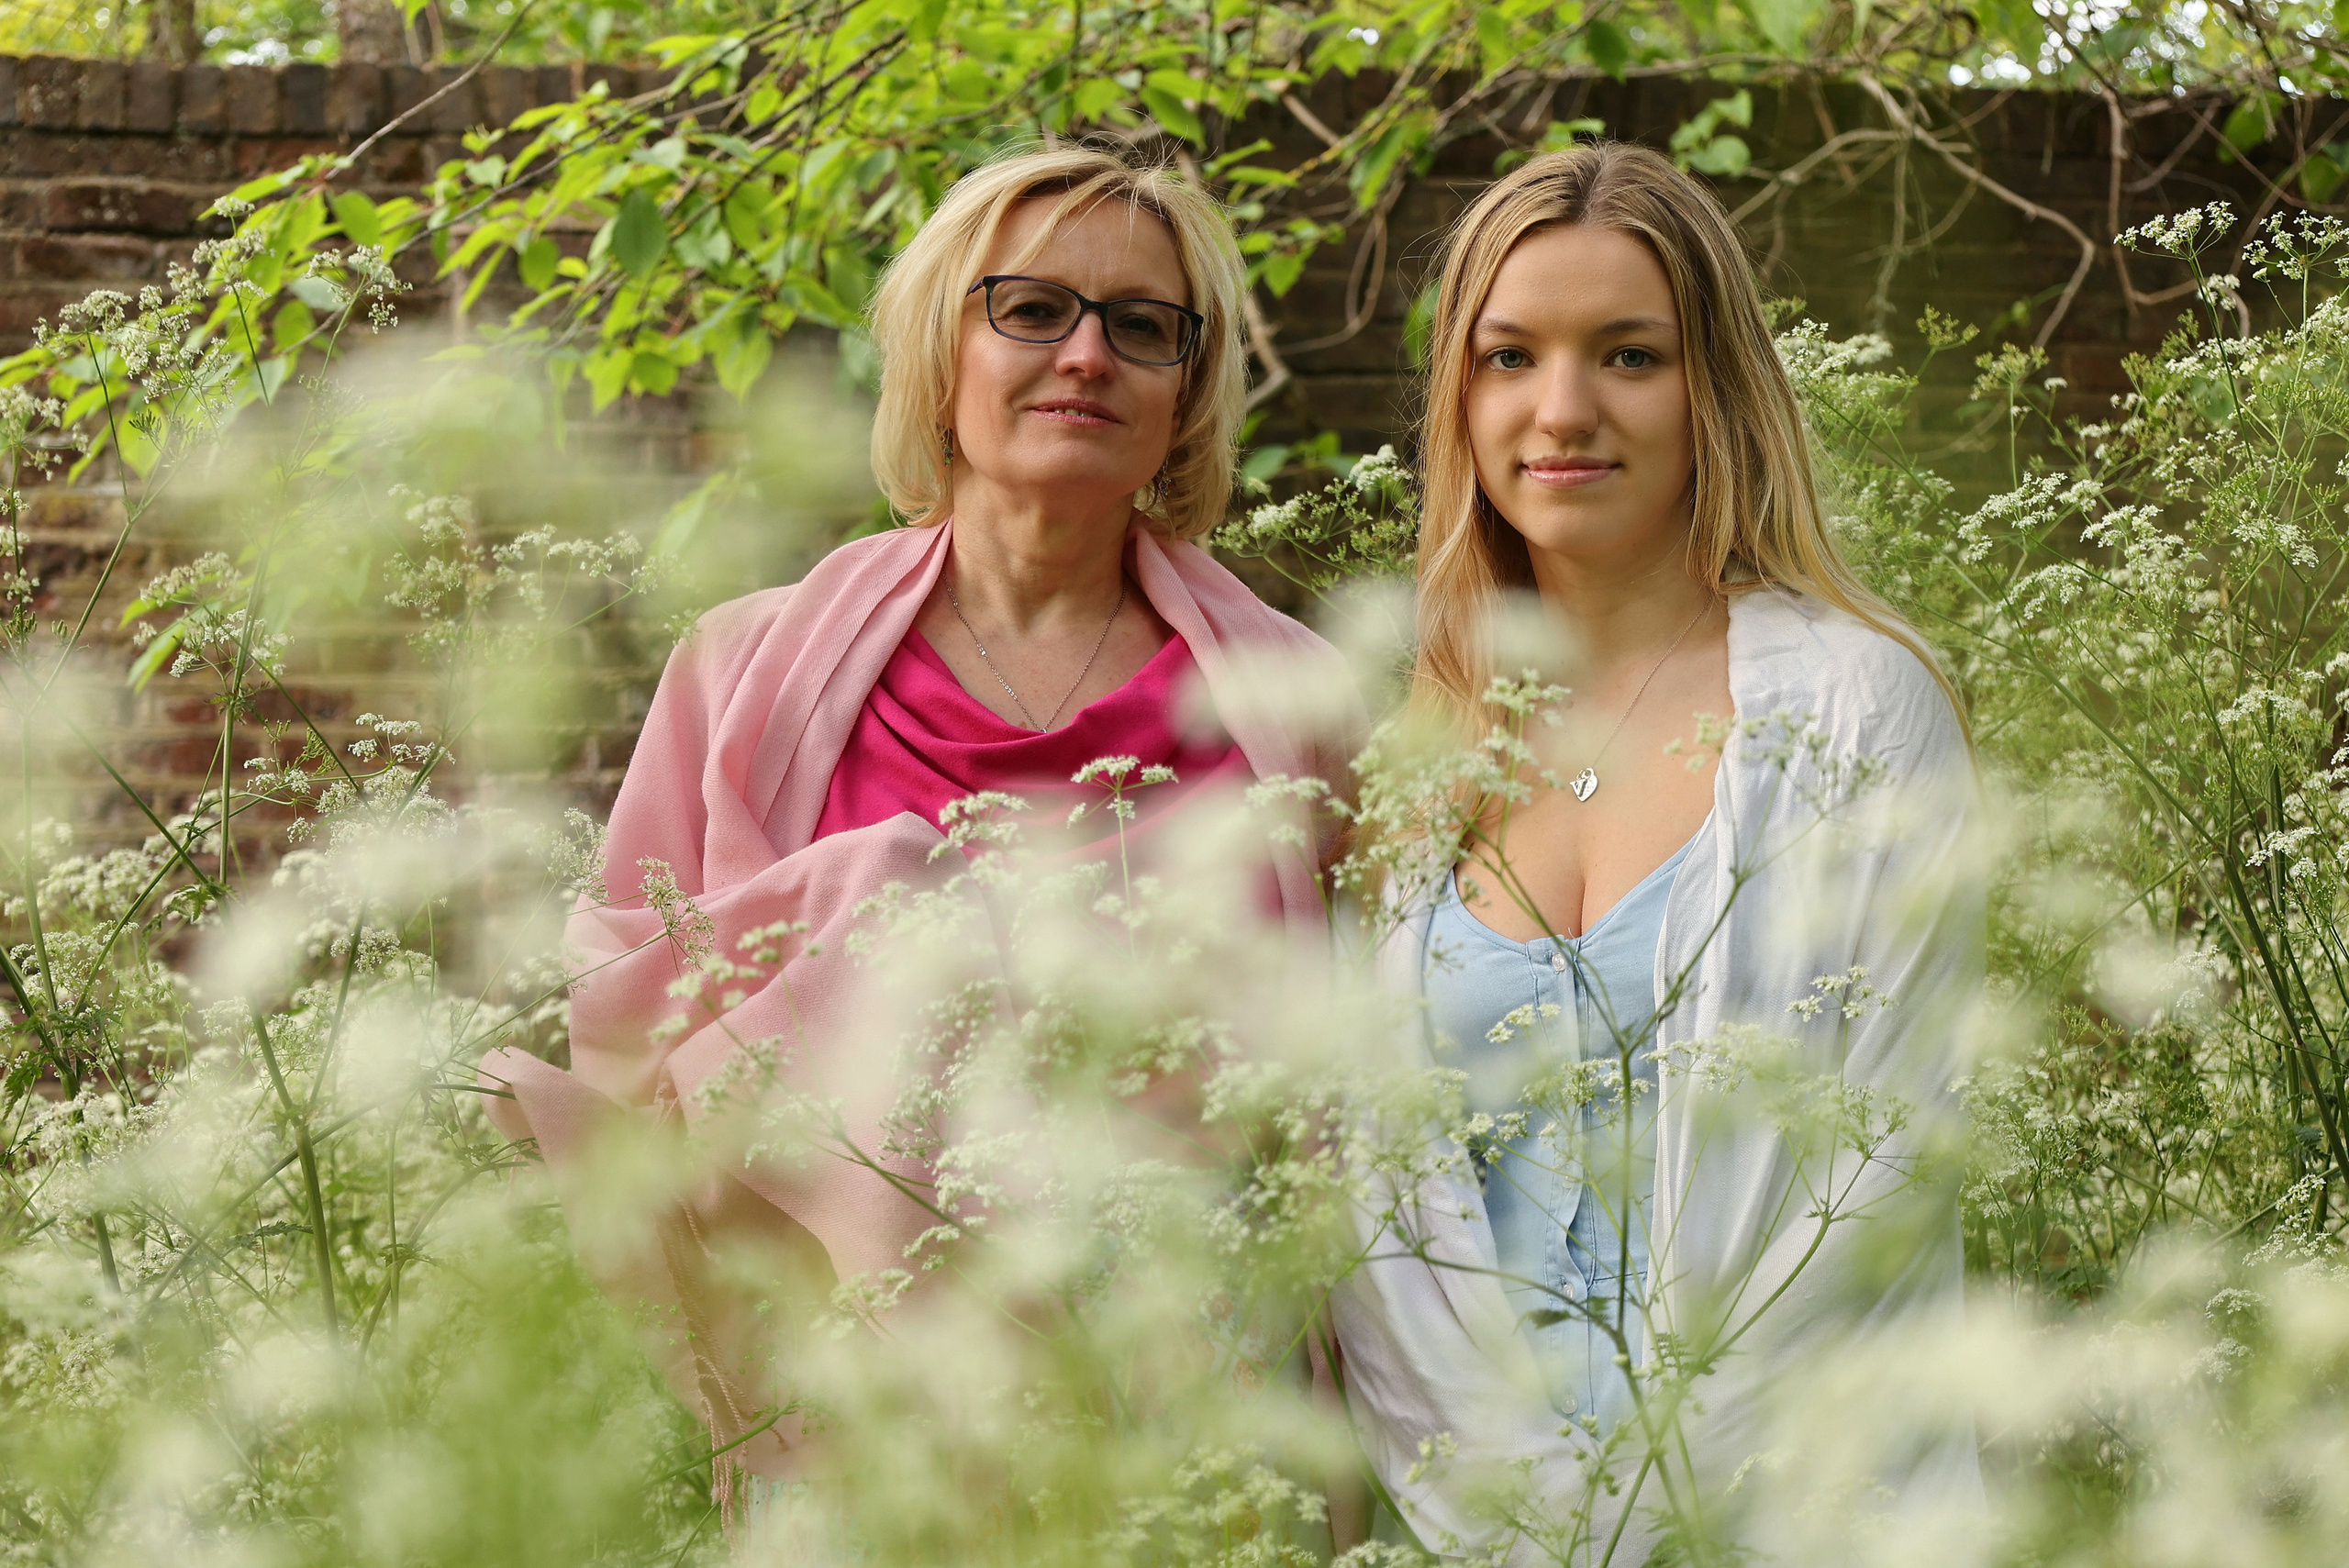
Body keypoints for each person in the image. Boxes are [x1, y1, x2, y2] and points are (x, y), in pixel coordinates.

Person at [478, 145, 1357, 1508]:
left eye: (1142, 326)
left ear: (1187, 392)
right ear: (942, 348)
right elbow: (630, 1010)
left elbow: (1362, 1067)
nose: (1087, 355)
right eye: (1032, 308)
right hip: (862, 1422)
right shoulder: (742, 673)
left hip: (1198, 1418)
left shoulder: (1299, 704)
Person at [1329, 142, 1983, 1562]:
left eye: (1628, 355)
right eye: (1510, 356)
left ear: (1716, 390)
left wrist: (1647, 1512)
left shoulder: (1859, 710)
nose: (1562, 409)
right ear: (1459, 394)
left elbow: (1873, 1178)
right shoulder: (1410, 766)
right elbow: (1381, 1243)